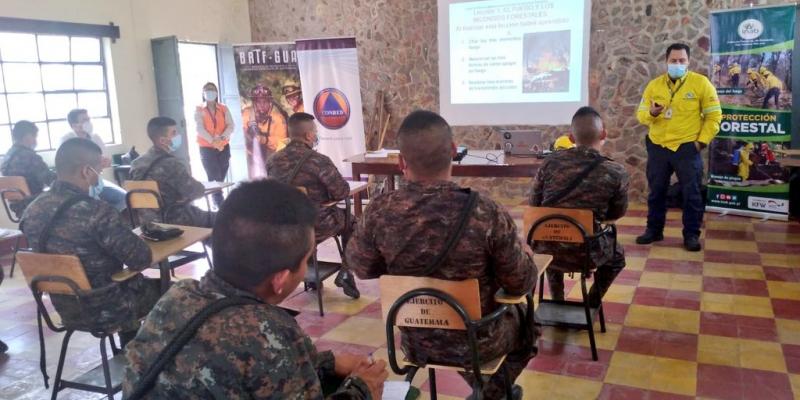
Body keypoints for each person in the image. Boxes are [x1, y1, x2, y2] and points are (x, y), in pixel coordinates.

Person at [123, 180, 387, 399]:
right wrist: (363, 388)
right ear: (280, 279)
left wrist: (326, 362)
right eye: (306, 259)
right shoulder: (266, 330)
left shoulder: (175, 298)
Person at [346, 110, 538, 400]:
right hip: (478, 341)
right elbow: (520, 283)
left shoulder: (378, 211)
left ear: (401, 162)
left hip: (416, 341)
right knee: (528, 322)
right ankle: (494, 391)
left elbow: (361, 267)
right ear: (453, 151)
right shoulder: (485, 211)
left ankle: (490, 390)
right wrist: (524, 255)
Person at [20, 138, 160, 345]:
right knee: (175, 293)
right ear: (86, 171)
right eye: (98, 172)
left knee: (120, 281)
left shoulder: (32, 210)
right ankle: (150, 358)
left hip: (66, 308)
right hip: (109, 306)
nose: (99, 179)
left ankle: (129, 346)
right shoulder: (96, 211)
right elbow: (141, 259)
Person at [530, 107, 629, 306]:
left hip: (546, 247)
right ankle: (591, 304)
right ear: (603, 134)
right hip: (588, 253)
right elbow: (616, 213)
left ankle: (557, 300)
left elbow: (535, 205)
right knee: (617, 257)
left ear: (571, 137)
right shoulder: (616, 171)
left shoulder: (549, 164)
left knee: (550, 233)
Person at [635, 43, 722, 251]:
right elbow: (641, 115)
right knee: (656, 192)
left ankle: (691, 235)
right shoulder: (654, 86)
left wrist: (700, 142)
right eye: (673, 61)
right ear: (666, 61)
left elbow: (714, 116)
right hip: (658, 146)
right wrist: (652, 114)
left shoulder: (701, 84)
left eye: (682, 61)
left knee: (691, 194)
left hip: (687, 147)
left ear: (688, 62)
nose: (677, 64)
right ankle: (654, 231)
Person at [267, 112, 360, 299]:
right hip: (317, 224)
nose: (315, 135)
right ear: (309, 135)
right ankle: (345, 271)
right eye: (315, 131)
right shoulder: (318, 161)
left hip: (284, 226)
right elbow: (341, 192)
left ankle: (311, 277)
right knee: (352, 222)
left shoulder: (273, 160)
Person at [129, 117, 215, 227]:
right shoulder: (171, 164)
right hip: (173, 220)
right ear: (162, 140)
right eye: (174, 133)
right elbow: (195, 192)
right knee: (222, 219)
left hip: (145, 223)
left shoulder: (136, 164)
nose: (178, 135)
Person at [62, 109, 127, 211]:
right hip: (77, 184)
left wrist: (105, 162)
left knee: (125, 198)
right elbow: (68, 165)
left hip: (97, 182)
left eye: (88, 119)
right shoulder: (67, 140)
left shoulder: (95, 137)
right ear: (74, 125)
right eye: (84, 120)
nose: (88, 122)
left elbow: (107, 160)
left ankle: (110, 218)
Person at [1, 121, 56, 217]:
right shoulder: (30, 157)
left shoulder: (8, 156)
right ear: (27, 136)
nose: (35, 140)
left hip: (17, 206)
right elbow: (50, 179)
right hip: (34, 203)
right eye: (34, 136)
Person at [195, 82, 234, 208]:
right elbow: (199, 128)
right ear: (203, 93)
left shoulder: (223, 108)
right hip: (207, 148)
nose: (210, 92)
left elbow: (230, 125)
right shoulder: (199, 109)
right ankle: (218, 200)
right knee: (213, 174)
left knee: (222, 173)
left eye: (212, 89)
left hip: (223, 145)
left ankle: (216, 196)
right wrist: (213, 141)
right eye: (207, 89)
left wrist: (221, 139)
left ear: (216, 92)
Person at [241, 85, 288, 176]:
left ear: (270, 102)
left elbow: (282, 142)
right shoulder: (246, 114)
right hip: (252, 155)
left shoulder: (278, 118)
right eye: (258, 102)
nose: (262, 105)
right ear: (254, 103)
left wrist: (264, 139)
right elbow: (239, 134)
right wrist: (248, 138)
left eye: (265, 102)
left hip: (273, 156)